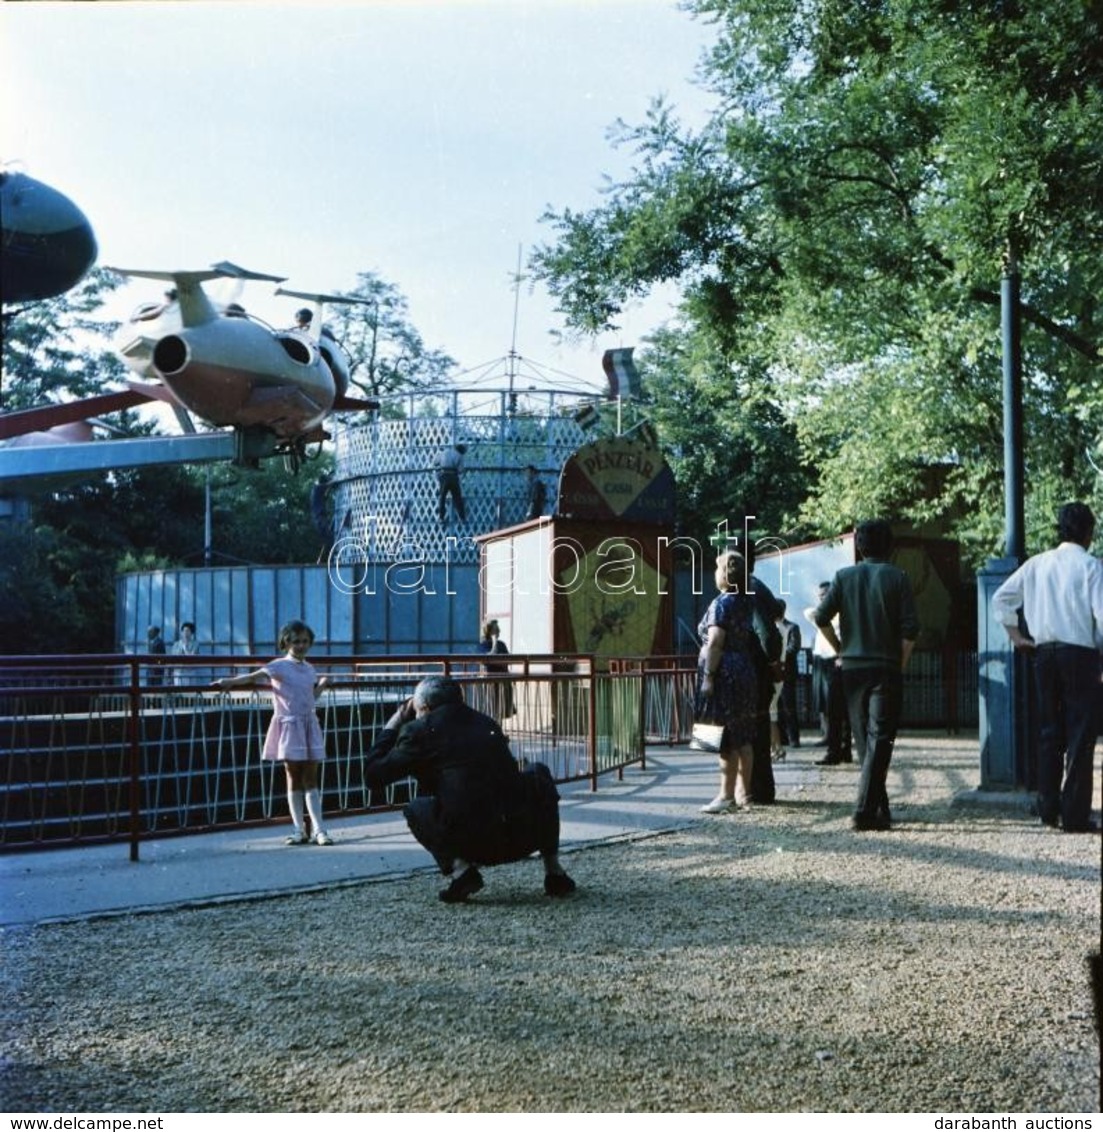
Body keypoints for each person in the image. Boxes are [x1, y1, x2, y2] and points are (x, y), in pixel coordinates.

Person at [362, 675, 576, 903]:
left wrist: (393, 725)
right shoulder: (486, 722)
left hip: (476, 846)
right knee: (538, 772)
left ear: (423, 707)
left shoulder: (419, 730)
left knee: (417, 808)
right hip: (522, 837)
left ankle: (462, 872)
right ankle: (554, 871)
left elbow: (373, 776)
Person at [991, 501, 1103, 833]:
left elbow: (1001, 598)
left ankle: (1047, 807)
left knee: (1048, 732)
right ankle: (1075, 814)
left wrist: (1017, 636)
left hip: (1043, 653)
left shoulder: (1037, 564)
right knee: (1081, 735)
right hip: (1080, 654)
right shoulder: (1092, 567)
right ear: (1088, 532)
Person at [813, 520, 919, 831]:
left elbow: (821, 617)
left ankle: (878, 807)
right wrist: (900, 663)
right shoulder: (898, 577)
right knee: (881, 738)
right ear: (890, 546)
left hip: (852, 668)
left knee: (864, 740)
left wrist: (840, 648)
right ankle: (863, 809)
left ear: (859, 545)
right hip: (885, 666)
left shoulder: (844, 577)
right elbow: (910, 630)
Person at [211, 620, 333, 846]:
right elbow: (253, 676)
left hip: (308, 725)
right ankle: (299, 829)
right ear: (286, 642)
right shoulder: (278, 666)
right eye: (296, 641)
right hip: (288, 726)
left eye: (305, 641)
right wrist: (229, 682)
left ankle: (319, 829)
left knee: (311, 778)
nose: (301, 646)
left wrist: (323, 684)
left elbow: (310, 699)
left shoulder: (309, 668)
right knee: (293, 777)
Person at [696, 550, 760, 814]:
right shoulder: (744, 600)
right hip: (744, 670)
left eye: (716, 568)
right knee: (743, 734)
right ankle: (744, 793)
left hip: (725, 673)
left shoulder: (721, 603)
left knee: (724, 735)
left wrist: (708, 677)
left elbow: (715, 642)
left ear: (724, 573)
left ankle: (725, 796)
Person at [805, 582, 851, 764]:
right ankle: (833, 745)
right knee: (827, 705)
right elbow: (810, 613)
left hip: (837, 659)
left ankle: (841, 749)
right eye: (820, 596)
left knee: (839, 709)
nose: (822, 598)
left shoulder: (842, 612)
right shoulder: (823, 613)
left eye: (825, 595)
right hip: (822, 661)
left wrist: (842, 653)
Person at [773, 601, 802, 758]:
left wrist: (779, 655)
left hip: (787, 671)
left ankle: (793, 738)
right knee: (777, 706)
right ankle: (782, 737)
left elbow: (794, 647)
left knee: (789, 706)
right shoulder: (772, 627)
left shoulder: (792, 627)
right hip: (775, 671)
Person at [478, 619, 514, 719]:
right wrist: (494, 643)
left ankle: (500, 732)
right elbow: (488, 659)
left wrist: (498, 662)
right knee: (492, 708)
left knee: (503, 709)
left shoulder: (502, 644)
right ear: (489, 631)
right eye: (496, 629)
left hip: (503, 679)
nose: (499, 631)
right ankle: (493, 732)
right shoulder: (483, 645)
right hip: (491, 682)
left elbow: (508, 660)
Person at [436, 443, 468, 523]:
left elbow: (435, 463)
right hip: (453, 477)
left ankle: (441, 517)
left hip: (444, 476)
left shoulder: (444, 452)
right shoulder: (459, 456)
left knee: (442, 497)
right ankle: (462, 518)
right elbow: (461, 470)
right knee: (457, 498)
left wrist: (438, 475)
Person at [172, 621, 199, 686]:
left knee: (190, 691)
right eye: (183, 631)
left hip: (190, 671)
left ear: (191, 633)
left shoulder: (195, 644)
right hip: (179, 672)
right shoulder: (176, 644)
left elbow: (192, 657)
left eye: (187, 631)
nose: (185, 633)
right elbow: (173, 657)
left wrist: (185, 648)